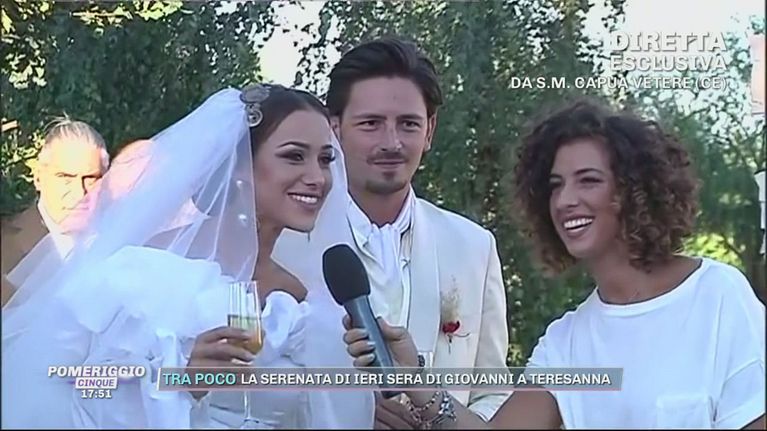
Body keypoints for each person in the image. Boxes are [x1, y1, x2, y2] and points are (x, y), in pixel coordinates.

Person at [342, 99, 766, 429]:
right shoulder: (567, 341)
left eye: (589, 180)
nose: (565, 201)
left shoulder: (718, 297)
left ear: (635, 189)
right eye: (555, 185)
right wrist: (416, 379)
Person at [1, 84, 349, 429]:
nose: (317, 178)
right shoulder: (140, 267)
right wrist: (176, 380)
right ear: (241, 165)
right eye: (294, 156)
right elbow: (50, 383)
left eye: (325, 159)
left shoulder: (299, 295)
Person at [318, 36, 511, 428]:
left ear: (429, 131)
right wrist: (346, 412)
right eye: (371, 124)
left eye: (408, 124)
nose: (391, 143)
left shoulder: (474, 246)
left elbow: (493, 393)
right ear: (335, 129)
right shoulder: (287, 242)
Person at [1, 118, 109, 304]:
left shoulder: (124, 241)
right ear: (38, 178)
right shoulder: (6, 244)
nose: (79, 193)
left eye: (91, 178)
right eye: (65, 177)